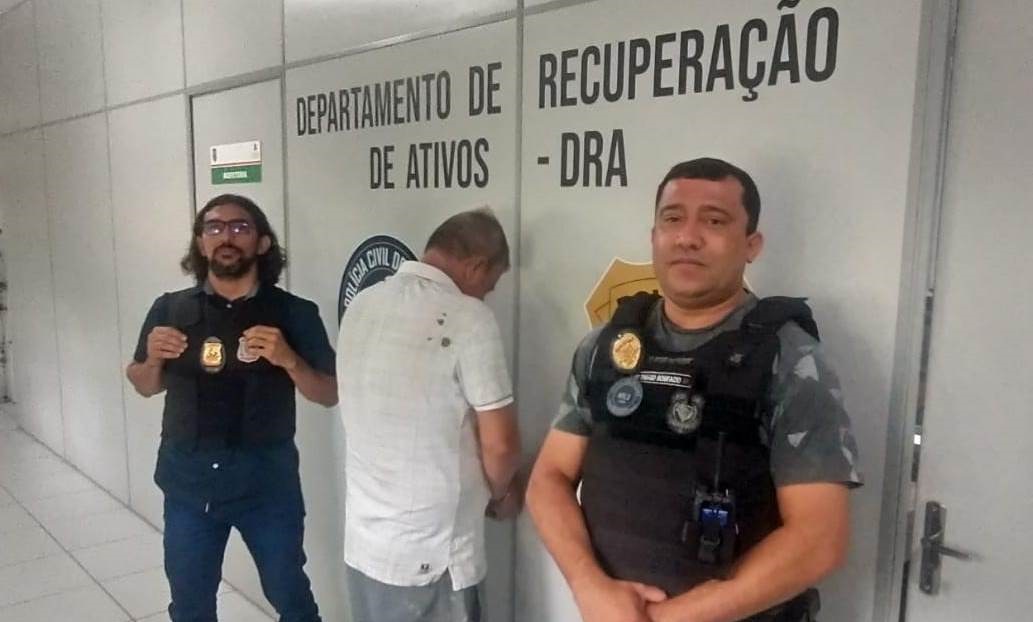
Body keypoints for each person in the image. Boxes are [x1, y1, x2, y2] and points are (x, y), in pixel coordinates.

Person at [526, 158, 863, 622]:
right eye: (672, 219)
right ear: (654, 237)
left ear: (751, 245)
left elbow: (819, 539)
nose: (687, 237)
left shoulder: (789, 359)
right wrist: (589, 586)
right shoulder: (605, 348)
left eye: (714, 221)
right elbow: (548, 479)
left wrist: (665, 619)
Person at [126, 194, 337, 622]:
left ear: (262, 243)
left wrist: (290, 360)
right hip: (188, 483)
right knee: (190, 605)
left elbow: (329, 393)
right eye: (214, 227)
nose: (226, 236)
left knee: (291, 596)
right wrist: (152, 361)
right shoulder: (170, 309)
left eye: (240, 227)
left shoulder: (293, 313)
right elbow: (144, 385)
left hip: (267, 485)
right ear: (201, 243)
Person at [336, 208, 522, 622]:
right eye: (489, 286)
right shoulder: (469, 319)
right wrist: (501, 494)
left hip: (366, 547)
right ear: (476, 266)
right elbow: (501, 445)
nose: (485, 296)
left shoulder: (362, 304)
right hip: (435, 560)